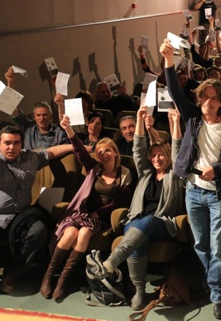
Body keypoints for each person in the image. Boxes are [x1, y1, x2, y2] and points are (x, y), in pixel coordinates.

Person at [160, 39, 221, 319]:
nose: (208, 102)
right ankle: (214, 284)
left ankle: (218, 296)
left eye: (213, 98)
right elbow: (174, 91)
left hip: (218, 194)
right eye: (204, 97)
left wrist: (218, 168)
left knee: (217, 248)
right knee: (199, 244)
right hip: (193, 191)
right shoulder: (193, 119)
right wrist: (168, 61)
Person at [0, 101, 72, 292]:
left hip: (20, 217)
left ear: (21, 144)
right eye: (7, 143)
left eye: (16, 143)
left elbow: (51, 152)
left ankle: (11, 274)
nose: (11, 147)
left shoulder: (30, 157)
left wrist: (75, 147)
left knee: (39, 231)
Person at [99, 107, 185, 310]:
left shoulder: (175, 175)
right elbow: (138, 148)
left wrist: (175, 123)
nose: (156, 159)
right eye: (153, 155)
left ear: (168, 157)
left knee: (145, 222)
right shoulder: (146, 173)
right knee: (136, 233)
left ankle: (113, 260)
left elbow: (178, 149)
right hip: (138, 223)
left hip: (162, 224)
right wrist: (138, 119)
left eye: (161, 155)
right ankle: (139, 291)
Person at [40, 114, 134, 301]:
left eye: (107, 151)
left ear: (115, 152)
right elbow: (79, 152)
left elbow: (123, 202)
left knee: (83, 234)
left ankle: (63, 281)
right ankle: (49, 276)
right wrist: (69, 130)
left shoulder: (125, 173)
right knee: (69, 234)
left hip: (102, 217)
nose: (103, 155)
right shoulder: (94, 167)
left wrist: (99, 212)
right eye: (100, 152)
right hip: (82, 212)